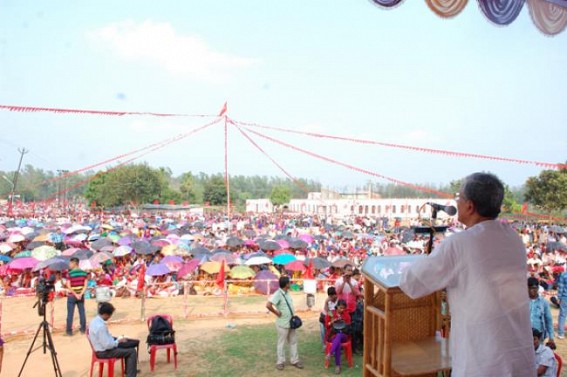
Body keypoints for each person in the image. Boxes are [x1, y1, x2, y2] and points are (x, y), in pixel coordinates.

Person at [399, 172, 536, 376]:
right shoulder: (513, 238)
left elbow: (411, 284)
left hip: (483, 363)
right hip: (520, 360)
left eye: (459, 197)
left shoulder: (460, 244)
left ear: (470, 206)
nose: (456, 201)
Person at [88, 303, 138, 377]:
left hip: (100, 348)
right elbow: (108, 345)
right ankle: (131, 374)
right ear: (105, 314)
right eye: (110, 315)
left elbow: (105, 339)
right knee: (132, 351)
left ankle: (130, 370)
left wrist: (115, 340)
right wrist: (117, 342)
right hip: (104, 352)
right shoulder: (100, 326)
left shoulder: (94, 321)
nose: (110, 317)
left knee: (126, 347)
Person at [266, 276, 304, 371]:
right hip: (282, 323)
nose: (290, 284)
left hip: (291, 322)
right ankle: (280, 362)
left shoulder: (287, 293)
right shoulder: (278, 294)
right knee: (281, 343)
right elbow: (268, 305)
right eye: (289, 282)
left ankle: (294, 360)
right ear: (286, 284)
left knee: (293, 341)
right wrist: (276, 312)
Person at [325, 299, 351, 375]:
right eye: (340, 307)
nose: (342, 309)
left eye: (343, 308)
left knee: (339, 335)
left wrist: (343, 322)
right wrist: (331, 322)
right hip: (333, 334)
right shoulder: (331, 313)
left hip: (344, 335)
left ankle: (330, 353)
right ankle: (337, 365)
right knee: (338, 342)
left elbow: (349, 327)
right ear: (337, 306)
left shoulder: (346, 314)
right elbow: (326, 325)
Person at [528, 277, 556, 349]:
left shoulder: (544, 303)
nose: (531, 290)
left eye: (534, 288)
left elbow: (548, 320)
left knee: (538, 356)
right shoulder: (523, 302)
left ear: (538, 288)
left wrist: (551, 337)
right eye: (529, 288)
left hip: (539, 336)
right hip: (525, 335)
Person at [65, 257, 87, 336]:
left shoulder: (69, 274)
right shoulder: (84, 273)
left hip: (72, 296)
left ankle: (69, 331)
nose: (69, 265)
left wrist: (75, 294)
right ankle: (83, 329)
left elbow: (68, 285)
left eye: (70, 263)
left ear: (75, 263)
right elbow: (85, 285)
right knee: (82, 312)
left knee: (70, 314)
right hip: (80, 295)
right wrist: (80, 294)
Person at [556, 268, 567, 339]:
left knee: (562, 315)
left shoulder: (563, 275)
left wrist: (559, 297)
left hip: (564, 297)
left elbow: (561, 287)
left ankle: (561, 334)